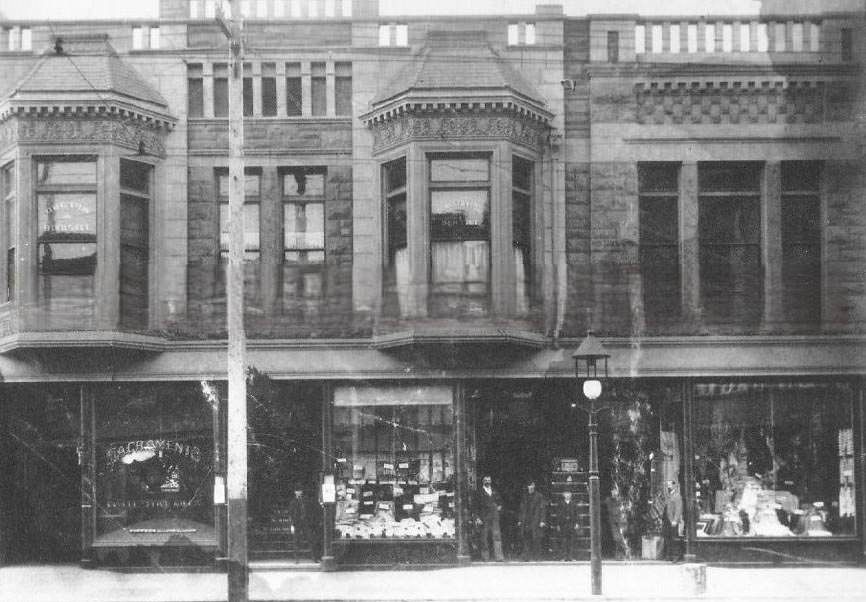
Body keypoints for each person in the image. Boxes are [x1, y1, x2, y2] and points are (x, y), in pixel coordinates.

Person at [473, 474, 505, 561]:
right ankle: (485, 557)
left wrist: (500, 507)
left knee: (497, 536)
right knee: (484, 537)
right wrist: (477, 518)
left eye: (489, 480)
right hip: (484, 517)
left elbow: (500, 502)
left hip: (494, 517)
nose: (487, 482)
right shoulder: (479, 492)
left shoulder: (494, 491)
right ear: (483, 481)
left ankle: (499, 557)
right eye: (486, 480)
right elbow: (475, 506)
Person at [517, 479, 547, 560]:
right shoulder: (525, 496)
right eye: (529, 485)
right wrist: (520, 520)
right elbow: (521, 509)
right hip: (526, 520)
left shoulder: (539, 496)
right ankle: (526, 556)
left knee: (536, 539)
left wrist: (542, 520)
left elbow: (542, 509)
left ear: (534, 486)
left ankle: (537, 556)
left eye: (532, 485)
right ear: (527, 487)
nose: (531, 487)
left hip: (536, 520)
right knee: (526, 538)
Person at [288, 484, 314, 560]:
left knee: (310, 539)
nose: (298, 492)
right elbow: (290, 514)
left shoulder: (305, 501)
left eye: (300, 491)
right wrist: (292, 525)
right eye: (297, 491)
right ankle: (296, 558)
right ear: (295, 492)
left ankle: (313, 557)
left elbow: (309, 511)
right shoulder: (292, 502)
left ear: (302, 492)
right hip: (297, 523)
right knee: (296, 541)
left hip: (305, 522)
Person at [556, 490, 580, 561]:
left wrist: (577, 523)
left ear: (571, 495)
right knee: (564, 541)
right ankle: (564, 556)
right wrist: (558, 524)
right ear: (563, 495)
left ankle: (571, 556)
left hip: (571, 524)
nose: (567, 495)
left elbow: (577, 514)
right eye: (566, 494)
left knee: (571, 541)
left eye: (569, 493)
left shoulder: (574, 504)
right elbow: (558, 515)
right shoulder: (560, 504)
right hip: (563, 524)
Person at [663, 480, 683, 562]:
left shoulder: (677, 496)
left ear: (674, 486)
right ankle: (669, 555)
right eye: (668, 485)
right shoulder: (669, 495)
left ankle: (675, 556)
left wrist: (675, 520)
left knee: (674, 538)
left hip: (673, 521)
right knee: (668, 537)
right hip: (668, 520)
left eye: (670, 485)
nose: (668, 487)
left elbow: (678, 509)